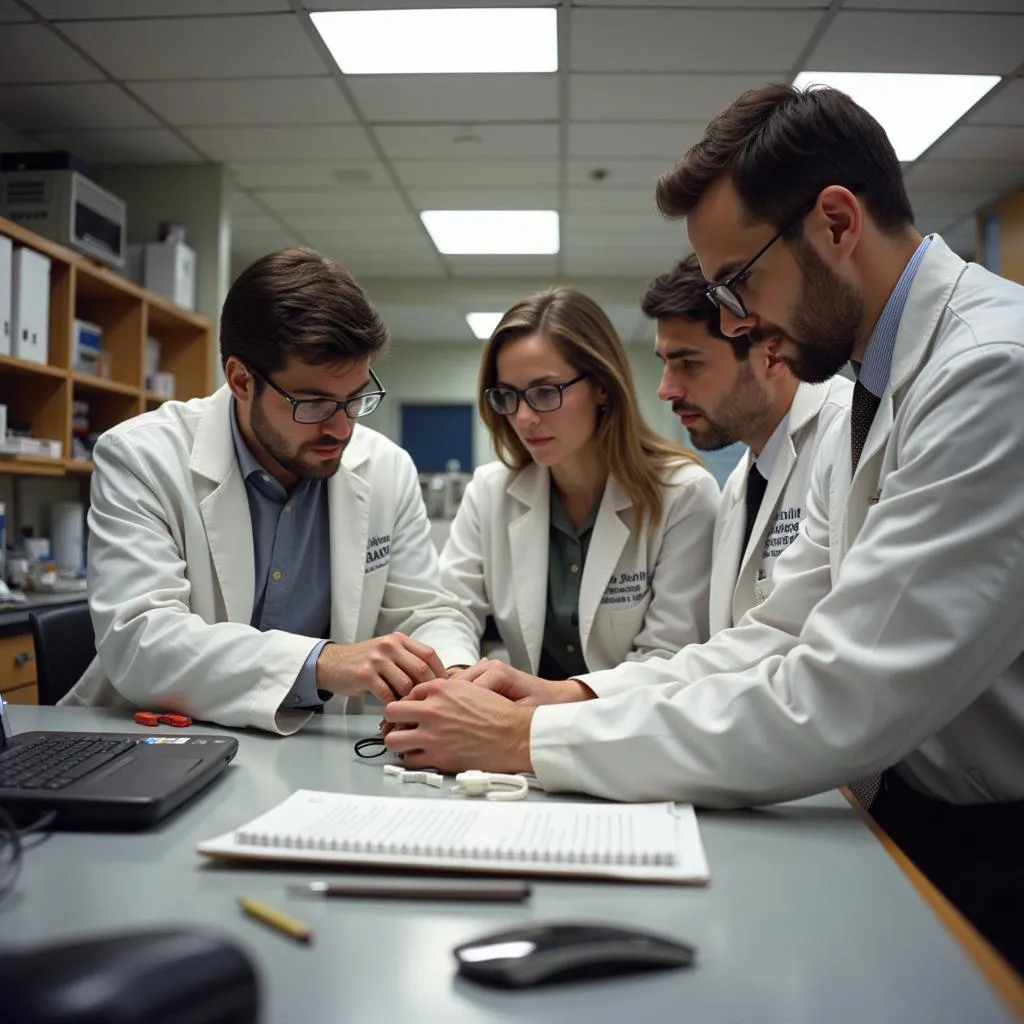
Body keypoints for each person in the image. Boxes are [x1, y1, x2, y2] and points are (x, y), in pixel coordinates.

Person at [382, 84, 1024, 971]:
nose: (735, 321)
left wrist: (528, 740)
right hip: (922, 807)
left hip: (1002, 843)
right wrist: (573, 697)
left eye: (738, 282)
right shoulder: (883, 391)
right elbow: (779, 632)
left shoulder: (990, 373)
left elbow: (840, 696)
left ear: (837, 222)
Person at [62, 247, 477, 735]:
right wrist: (322, 664)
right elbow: (143, 641)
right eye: (315, 403)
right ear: (241, 379)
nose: (342, 428)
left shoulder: (386, 468)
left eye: (357, 398)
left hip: (312, 749)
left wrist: (453, 676)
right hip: (160, 738)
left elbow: (423, 611)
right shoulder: (143, 457)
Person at [439, 287, 720, 677]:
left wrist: (545, 701)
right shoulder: (490, 493)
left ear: (602, 386)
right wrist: (458, 674)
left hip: (630, 725)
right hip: (522, 726)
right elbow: (450, 608)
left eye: (544, 391)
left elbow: (668, 655)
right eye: (508, 396)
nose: (523, 417)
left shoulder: (683, 495)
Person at [642, 255, 850, 632]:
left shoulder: (849, 436)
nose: (665, 390)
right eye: (664, 364)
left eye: (689, 364)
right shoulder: (743, 481)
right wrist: (571, 692)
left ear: (771, 354)